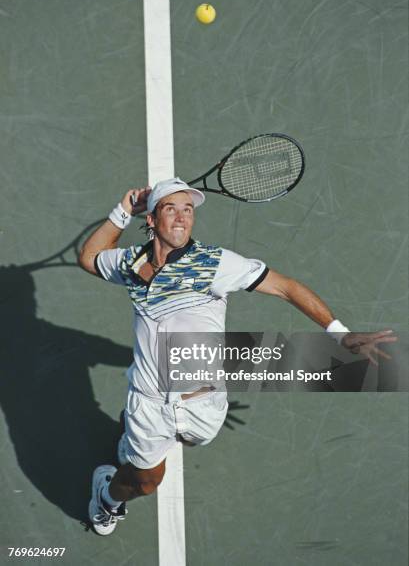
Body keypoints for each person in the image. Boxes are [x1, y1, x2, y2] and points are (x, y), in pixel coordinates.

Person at [78, 177, 395, 535]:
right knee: (144, 483)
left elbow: (286, 287)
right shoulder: (131, 264)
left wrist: (341, 334)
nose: (182, 217)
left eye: (188, 210)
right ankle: (106, 497)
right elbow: (89, 258)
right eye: (171, 209)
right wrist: (122, 212)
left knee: (186, 442)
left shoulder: (215, 264)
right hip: (148, 403)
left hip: (202, 405)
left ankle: (133, 451)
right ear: (151, 220)